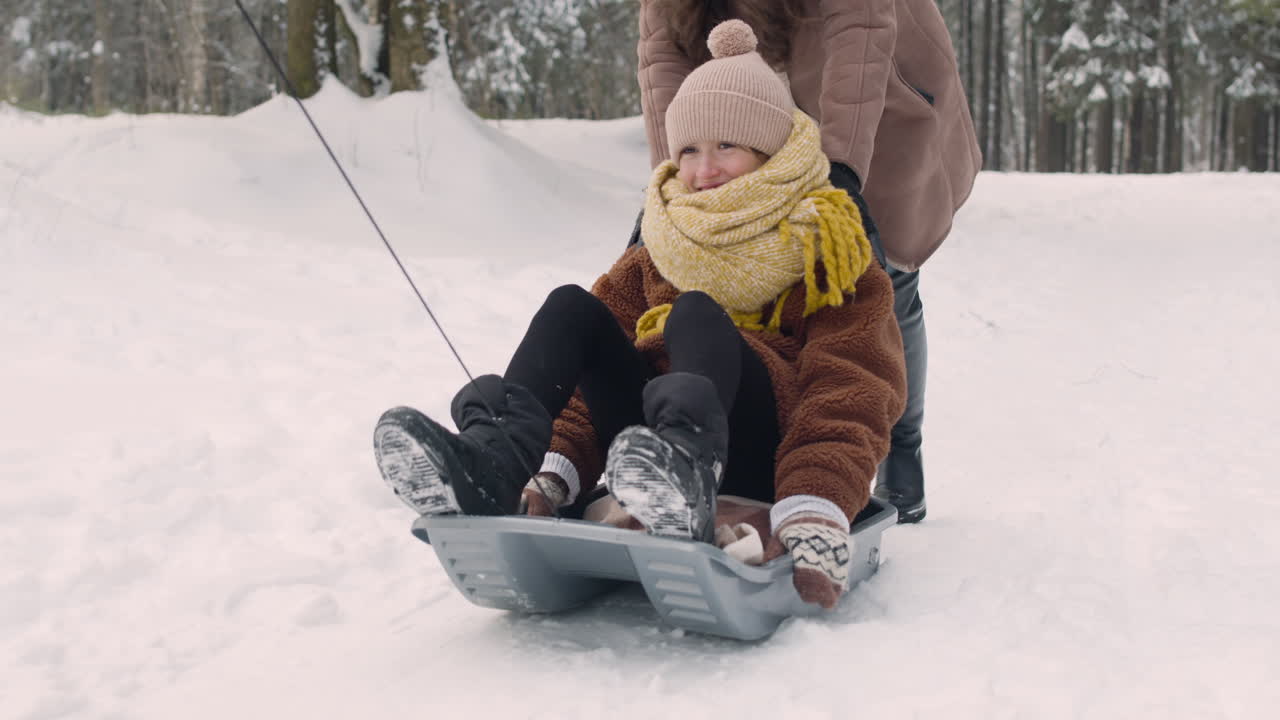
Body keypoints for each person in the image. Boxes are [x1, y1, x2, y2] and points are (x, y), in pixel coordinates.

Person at [373, 21, 906, 610]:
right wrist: (554, 475)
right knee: (572, 307)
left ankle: (687, 471)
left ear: (771, 152)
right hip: (649, 452)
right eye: (689, 151)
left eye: (727, 146)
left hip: (762, 458)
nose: (704, 170)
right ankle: (497, 461)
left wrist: (816, 502)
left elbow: (851, 389)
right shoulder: (660, 248)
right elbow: (586, 389)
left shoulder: (829, 249)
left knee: (694, 314)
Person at [637, 0, 983, 523]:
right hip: (737, 97)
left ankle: (900, 442)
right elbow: (662, 54)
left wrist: (842, 166)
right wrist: (673, 184)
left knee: (879, 272)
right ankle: (770, 449)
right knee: (735, 277)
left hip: (871, 84)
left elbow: (861, 26)